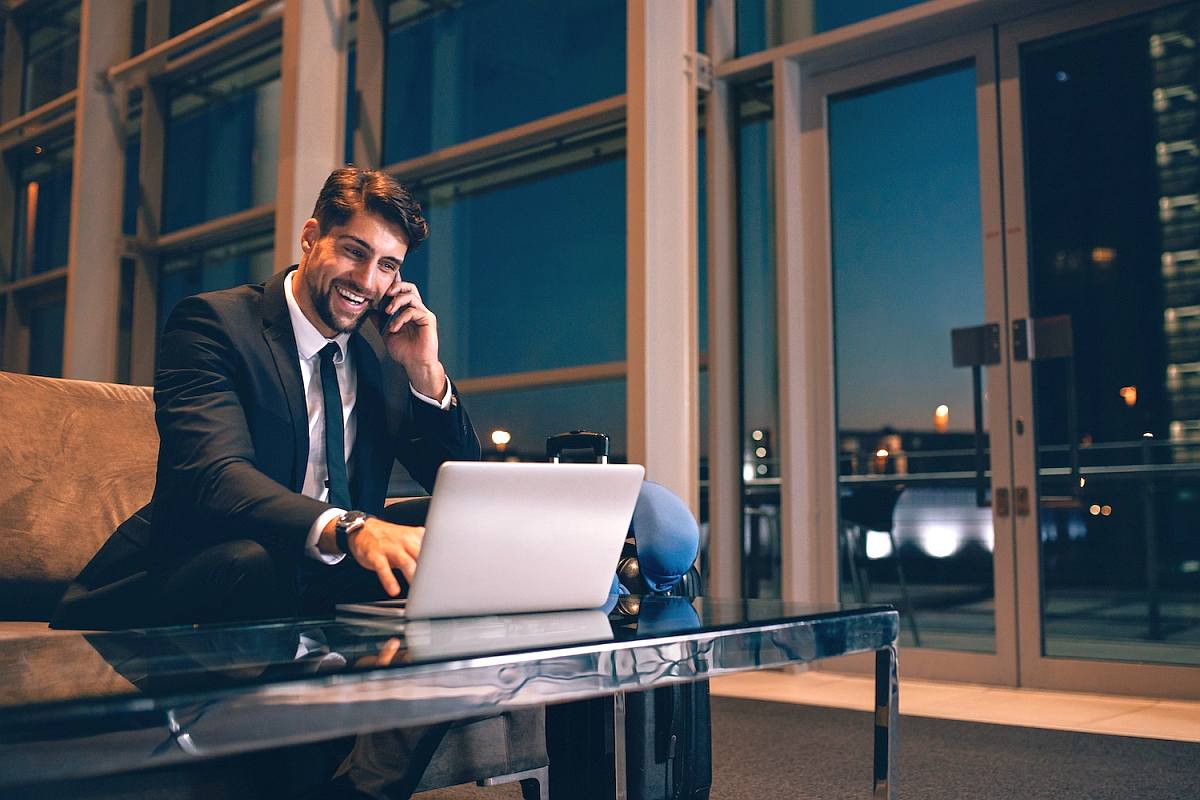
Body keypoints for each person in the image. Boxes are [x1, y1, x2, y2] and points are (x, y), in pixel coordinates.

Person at [133, 165, 480, 624]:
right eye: (355, 251)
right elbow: (217, 477)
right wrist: (350, 527)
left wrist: (424, 370)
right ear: (311, 237)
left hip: (329, 575)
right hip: (219, 564)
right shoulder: (214, 325)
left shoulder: (384, 352)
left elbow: (457, 482)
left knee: (459, 526)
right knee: (253, 561)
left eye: (387, 265)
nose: (366, 281)